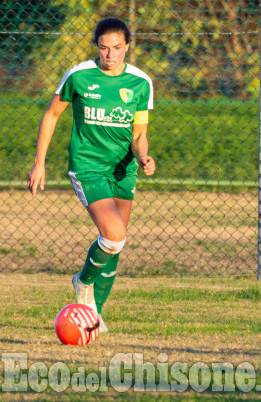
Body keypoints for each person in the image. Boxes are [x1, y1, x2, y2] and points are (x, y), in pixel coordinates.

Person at [27, 18, 155, 332]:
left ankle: (93, 318)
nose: (110, 55)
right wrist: (39, 162)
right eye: (103, 48)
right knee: (113, 235)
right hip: (88, 167)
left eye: (116, 48)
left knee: (116, 246)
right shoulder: (79, 76)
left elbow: (139, 134)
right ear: (96, 46)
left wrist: (144, 156)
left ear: (127, 46)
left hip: (124, 171)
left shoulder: (140, 82)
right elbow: (51, 115)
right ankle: (83, 282)